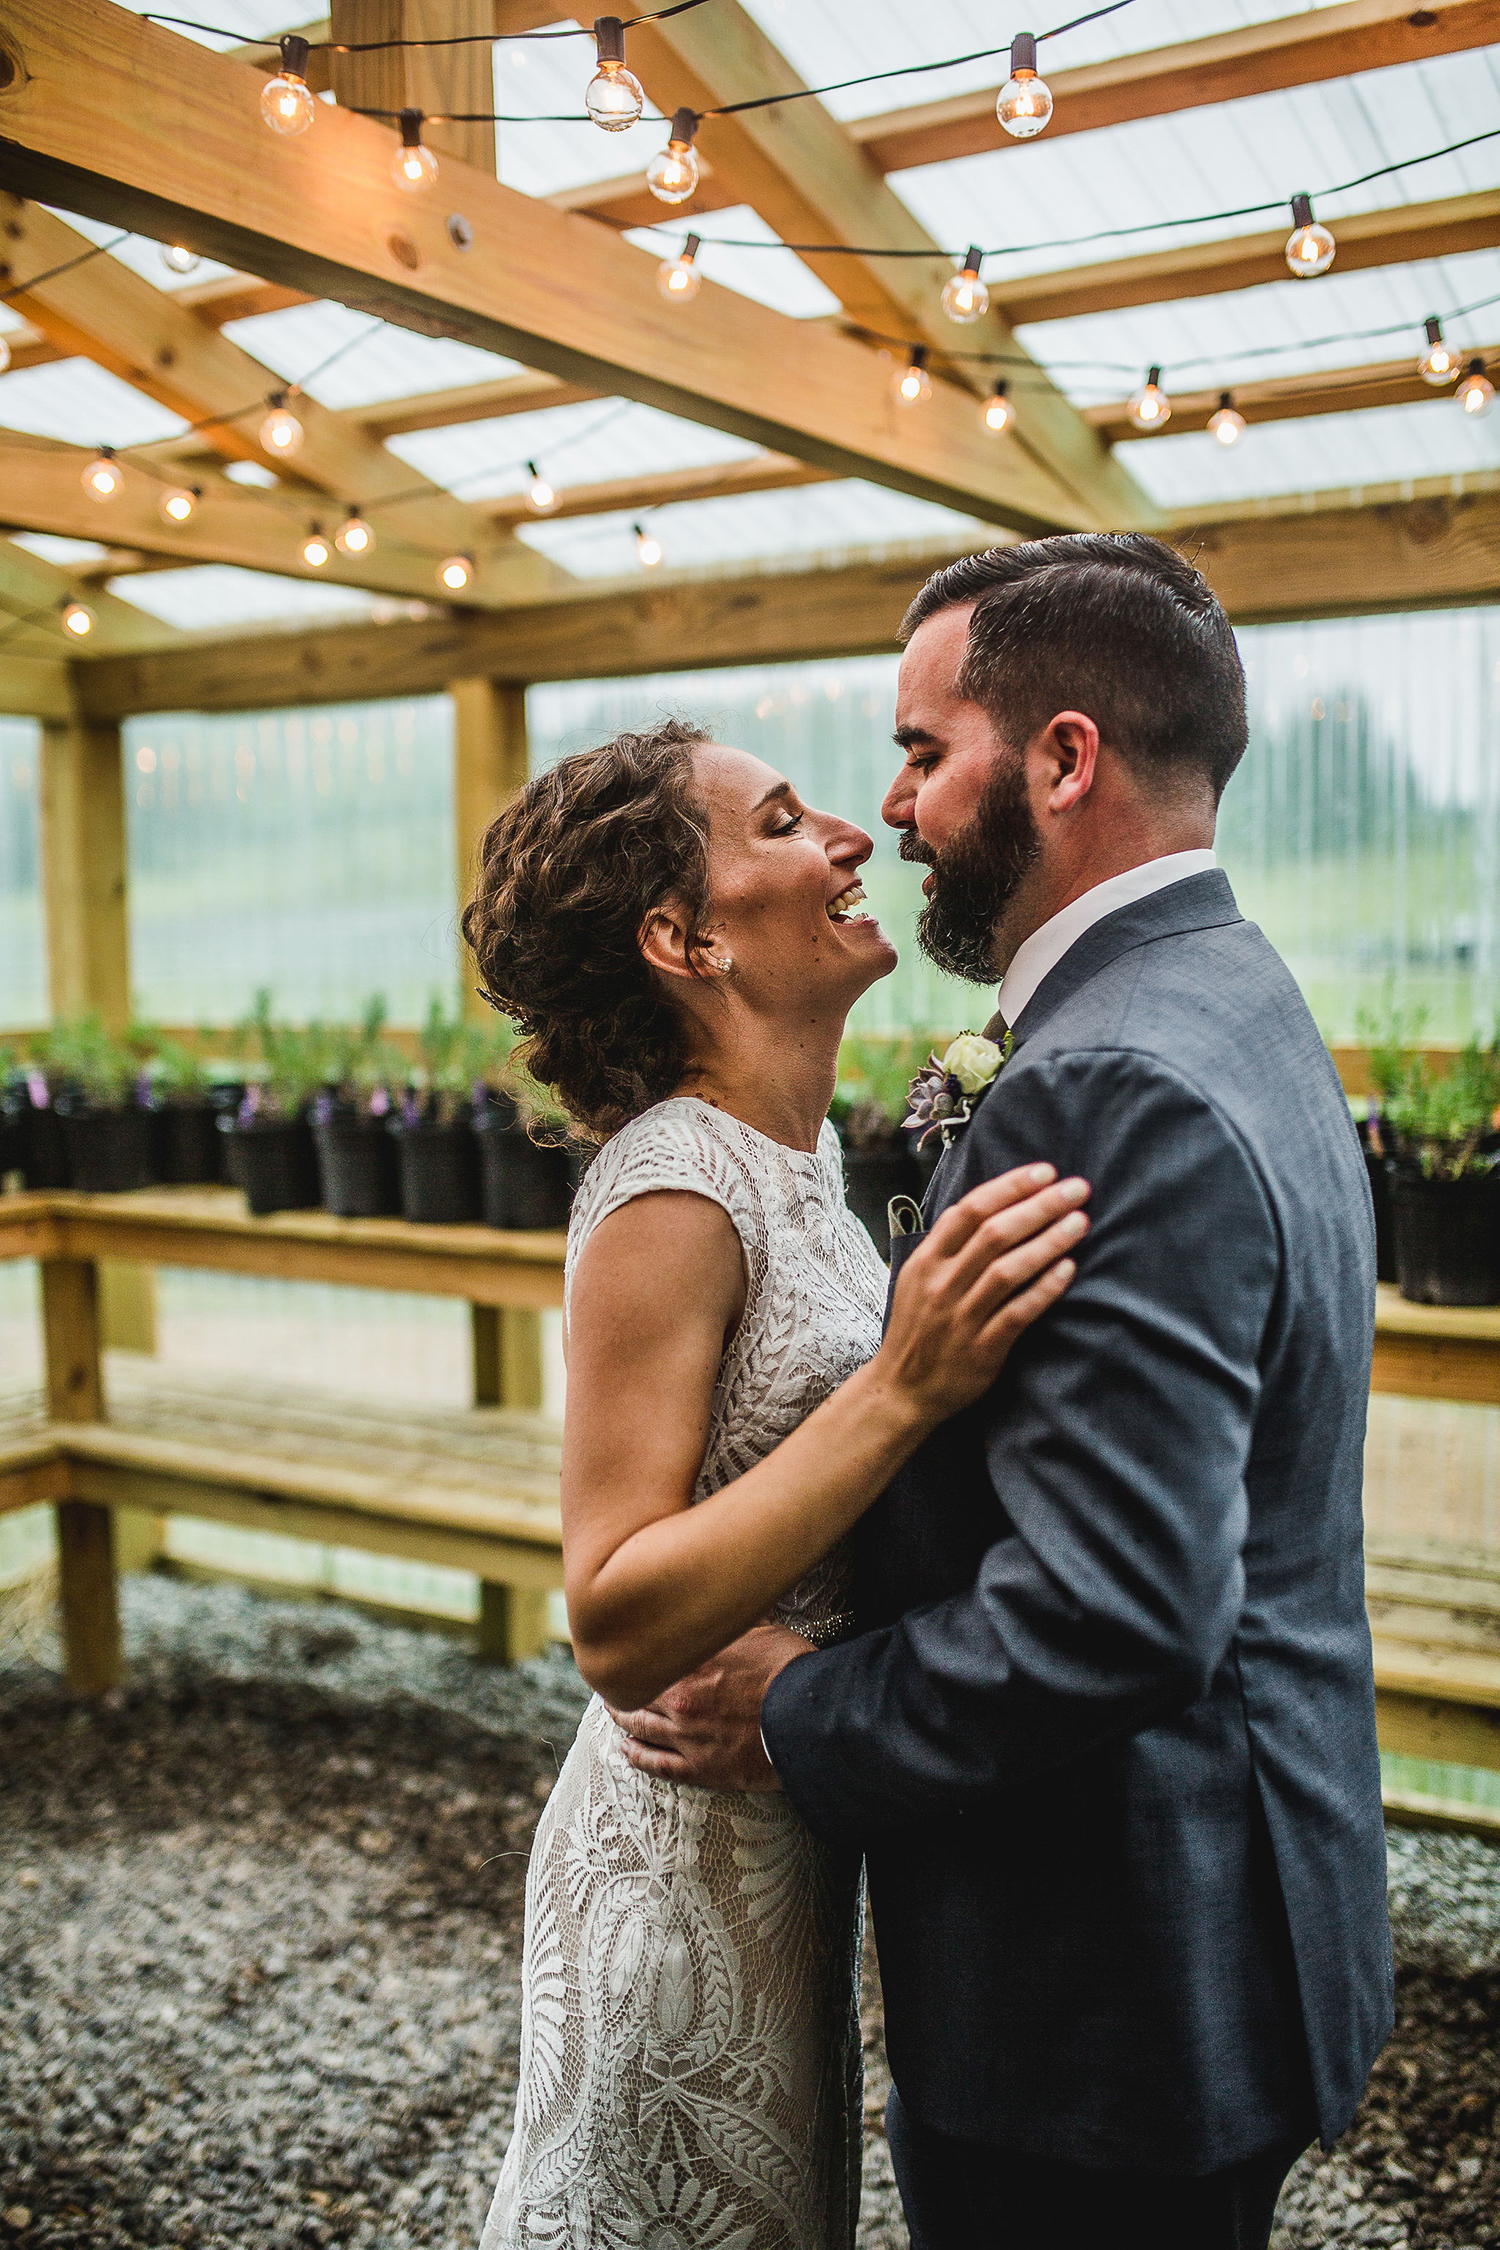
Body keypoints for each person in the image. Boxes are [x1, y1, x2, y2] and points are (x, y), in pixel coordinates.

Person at [614, 535, 1395, 2250]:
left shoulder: (1105, 1075)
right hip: (1213, 1923)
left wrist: (799, 1713)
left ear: (1062, 757)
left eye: (920, 749)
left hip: (1104, 1989)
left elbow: (1119, 1607)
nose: (888, 812)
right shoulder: (1240, 998)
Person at [462, 718, 1088, 2250]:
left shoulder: (789, 1159)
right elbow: (611, 1619)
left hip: (785, 1841)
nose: (851, 841)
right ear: (682, 937)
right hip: (676, 1869)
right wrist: (901, 1387)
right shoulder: (674, 1185)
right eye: (787, 823)